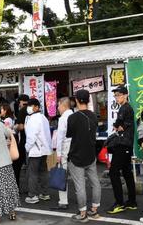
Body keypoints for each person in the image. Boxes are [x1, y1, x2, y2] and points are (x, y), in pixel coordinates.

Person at [66, 89, 101, 222]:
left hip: (76, 156)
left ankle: (82, 214)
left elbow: (69, 134)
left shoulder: (73, 117)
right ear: (88, 100)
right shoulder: (93, 115)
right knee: (95, 182)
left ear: (76, 100)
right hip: (91, 154)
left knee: (80, 186)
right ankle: (94, 210)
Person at [107, 85, 137, 214]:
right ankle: (131, 201)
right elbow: (118, 126)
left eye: (119, 95)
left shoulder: (125, 108)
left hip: (123, 144)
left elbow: (119, 126)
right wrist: (118, 126)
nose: (116, 97)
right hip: (126, 145)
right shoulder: (126, 108)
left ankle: (119, 203)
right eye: (115, 95)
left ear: (125, 95)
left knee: (113, 172)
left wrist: (118, 126)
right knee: (127, 173)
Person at [24, 98, 53, 204]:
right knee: (43, 171)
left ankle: (33, 195)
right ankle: (45, 193)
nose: (29, 108)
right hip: (44, 149)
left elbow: (32, 136)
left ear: (36, 107)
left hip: (35, 149)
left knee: (33, 173)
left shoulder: (33, 119)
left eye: (30, 106)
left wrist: (27, 147)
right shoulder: (43, 118)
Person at [52, 97, 74, 210]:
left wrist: (58, 154)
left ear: (63, 105)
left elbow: (60, 137)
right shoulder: (75, 116)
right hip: (75, 149)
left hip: (65, 148)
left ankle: (63, 201)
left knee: (62, 174)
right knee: (77, 175)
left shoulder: (63, 118)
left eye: (58, 105)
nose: (57, 108)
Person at [12, 119, 26, 189]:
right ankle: (16, 187)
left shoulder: (16, 134)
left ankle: (16, 187)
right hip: (20, 150)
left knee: (16, 169)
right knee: (17, 170)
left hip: (19, 150)